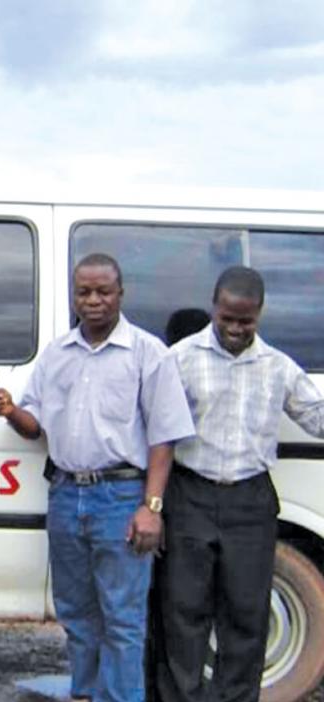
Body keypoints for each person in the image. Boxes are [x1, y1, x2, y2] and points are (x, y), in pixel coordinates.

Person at [0, 253, 194, 702]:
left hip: (120, 497)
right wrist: (9, 411)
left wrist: (151, 507)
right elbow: (35, 425)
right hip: (65, 494)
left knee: (122, 617)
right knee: (77, 613)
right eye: (84, 292)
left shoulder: (146, 353)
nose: (94, 300)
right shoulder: (57, 354)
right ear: (74, 296)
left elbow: (164, 438)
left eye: (104, 291)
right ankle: (86, 693)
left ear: (121, 295)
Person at [154, 266, 324, 702]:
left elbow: (316, 416)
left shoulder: (278, 367)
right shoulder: (181, 358)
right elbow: (156, 428)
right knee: (182, 612)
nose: (233, 328)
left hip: (250, 501)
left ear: (259, 315)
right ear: (214, 307)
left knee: (246, 616)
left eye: (244, 321)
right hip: (189, 494)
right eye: (226, 318)